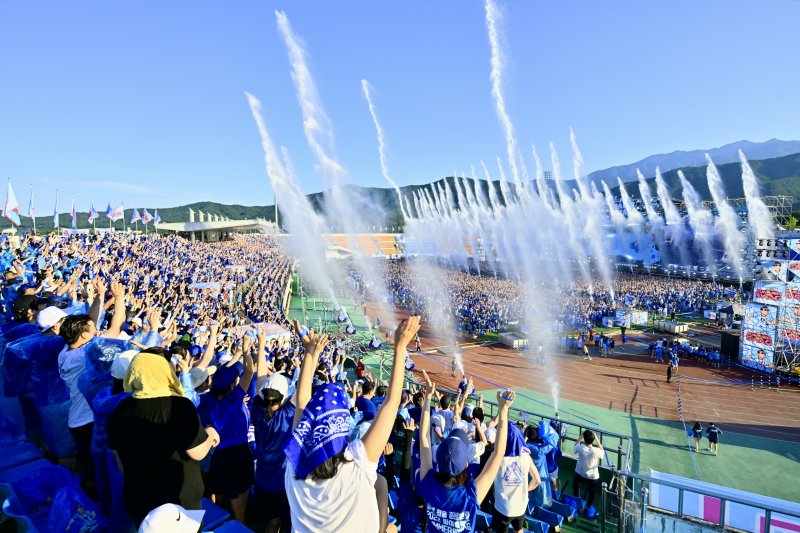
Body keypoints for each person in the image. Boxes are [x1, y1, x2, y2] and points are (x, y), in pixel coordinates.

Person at [284, 317, 420, 532]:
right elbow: (392, 403)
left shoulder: (294, 462)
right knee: (385, 502)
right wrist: (401, 345)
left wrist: (311, 353)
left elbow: (301, 403)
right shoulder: (357, 461)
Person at [108, 349, 220, 526]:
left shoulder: (121, 408)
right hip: (178, 501)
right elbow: (197, 453)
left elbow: (118, 457)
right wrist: (210, 435)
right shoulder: (179, 406)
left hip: (138, 496)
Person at [417, 368, 516, 533]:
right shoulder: (469, 495)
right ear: (466, 465)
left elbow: (423, 439)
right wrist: (503, 411)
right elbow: (498, 454)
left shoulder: (428, 484)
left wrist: (427, 397)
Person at [197, 344, 254, 522]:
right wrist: (246, 351)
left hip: (219, 454)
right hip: (239, 454)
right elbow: (250, 371)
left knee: (219, 497)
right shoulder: (235, 398)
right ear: (231, 385)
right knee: (239, 504)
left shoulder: (204, 400)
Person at [492, 422, 540, 533]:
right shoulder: (526, 457)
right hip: (520, 506)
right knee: (519, 529)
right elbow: (537, 480)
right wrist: (525, 490)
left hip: (502, 507)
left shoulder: (497, 457)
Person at [573, 430, 604, 515]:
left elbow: (575, 447)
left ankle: (576, 499)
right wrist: (597, 439)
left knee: (575, 483)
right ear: (593, 439)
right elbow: (602, 453)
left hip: (580, 473)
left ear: (584, 438)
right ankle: (588, 507)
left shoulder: (580, 447)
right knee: (592, 492)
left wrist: (580, 437)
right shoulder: (595, 451)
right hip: (592, 477)